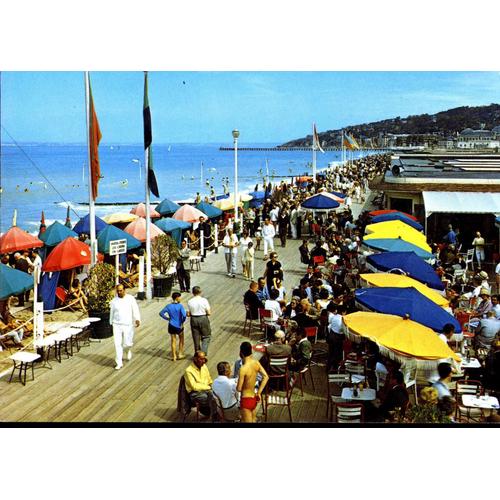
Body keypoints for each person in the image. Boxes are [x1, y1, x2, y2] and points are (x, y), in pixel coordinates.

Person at [109, 284, 141, 370]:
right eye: (118, 291)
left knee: (127, 343)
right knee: (117, 344)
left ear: (124, 290)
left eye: (121, 290)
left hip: (127, 324)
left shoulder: (130, 299)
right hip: (117, 324)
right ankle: (119, 362)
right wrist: (110, 322)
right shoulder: (114, 301)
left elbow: (135, 309)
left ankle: (127, 350)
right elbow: (112, 312)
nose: (119, 292)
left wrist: (137, 319)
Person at [236, 341, 269, 423]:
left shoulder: (243, 369)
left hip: (245, 399)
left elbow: (239, 388)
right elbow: (266, 377)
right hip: (254, 397)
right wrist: (259, 392)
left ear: (241, 353)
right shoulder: (256, 363)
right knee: (254, 420)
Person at [184, 350, 213, 418]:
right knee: (209, 398)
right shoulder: (188, 371)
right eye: (201, 359)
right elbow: (194, 386)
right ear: (195, 359)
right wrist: (208, 387)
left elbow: (209, 379)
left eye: (204, 359)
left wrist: (212, 386)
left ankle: (212, 413)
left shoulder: (204, 366)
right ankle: (212, 414)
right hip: (195, 393)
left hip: (207, 390)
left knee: (217, 395)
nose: (203, 361)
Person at [159, 292, 187, 361]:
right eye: (179, 297)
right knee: (181, 339)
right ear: (177, 298)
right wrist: (182, 322)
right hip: (179, 325)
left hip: (171, 325)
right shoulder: (180, 306)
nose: (180, 298)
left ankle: (174, 356)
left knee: (173, 341)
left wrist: (168, 318)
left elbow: (161, 313)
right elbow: (184, 315)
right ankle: (180, 354)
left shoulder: (168, 306)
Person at [186, 286, 212, 355]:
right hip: (203, 318)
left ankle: (197, 353)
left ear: (193, 293)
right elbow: (209, 313)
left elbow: (188, 314)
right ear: (200, 292)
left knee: (196, 337)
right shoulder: (204, 300)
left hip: (194, 319)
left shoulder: (190, 301)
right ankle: (203, 352)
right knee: (206, 336)